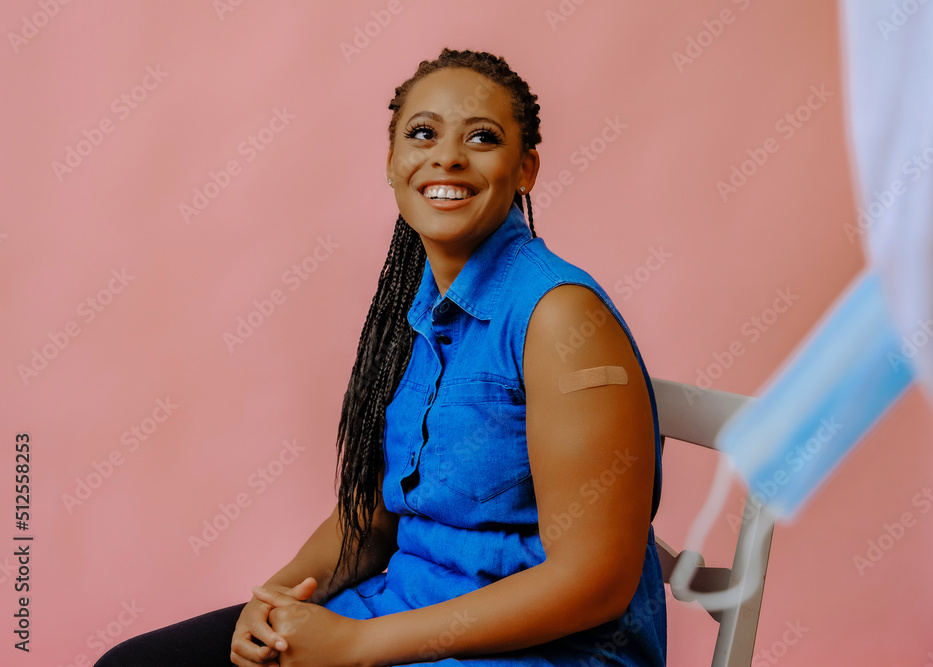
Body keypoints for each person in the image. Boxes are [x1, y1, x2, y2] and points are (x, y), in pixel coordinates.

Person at [95, 47, 667, 667]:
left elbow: (597, 583)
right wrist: (276, 598)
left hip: (540, 649)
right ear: (392, 162)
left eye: (481, 137)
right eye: (422, 134)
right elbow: (371, 518)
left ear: (525, 169)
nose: (446, 156)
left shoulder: (559, 317)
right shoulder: (421, 310)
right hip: (404, 609)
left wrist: (359, 646)